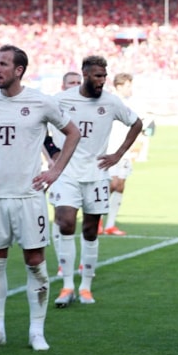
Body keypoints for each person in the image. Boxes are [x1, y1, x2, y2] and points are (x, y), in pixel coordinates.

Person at [0, 44, 81, 351]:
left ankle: (36, 331)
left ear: (19, 70)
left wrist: (55, 171)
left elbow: (73, 133)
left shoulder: (41, 101)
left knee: (35, 263)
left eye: (3, 64)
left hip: (29, 198)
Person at [48, 56, 143, 308]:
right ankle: (67, 285)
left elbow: (137, 123)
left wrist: (118, 154)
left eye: (104, 75)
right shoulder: (61, 99)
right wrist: (52, 152)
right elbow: (39, 125)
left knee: (90, 231)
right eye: (97, 76)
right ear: (85, 74)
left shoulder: (111, 101)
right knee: (65, 223)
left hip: (97, 174)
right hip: (66, 174)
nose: (102, 80)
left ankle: (86, 287)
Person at [48, 71, 82, 277]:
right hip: (60, 168)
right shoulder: (54, 104)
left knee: (80, 218)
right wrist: (53, 155)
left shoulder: (88, 105)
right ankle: (63, 262)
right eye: (71, 83)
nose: (75, 85)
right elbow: (42, 132)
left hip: (83, 169)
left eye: (79, 82)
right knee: (61, 216)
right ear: (63, 86)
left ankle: (77, 262)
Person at [102, 72, 139, 236]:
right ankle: (96, 220)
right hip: (110, 150)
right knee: (110, 184)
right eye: (128, 86)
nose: (131, 89)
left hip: (124, 151)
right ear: (119, 86)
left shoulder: (131, 103)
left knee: (120, 185)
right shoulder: (110, 102)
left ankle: (110, 225)